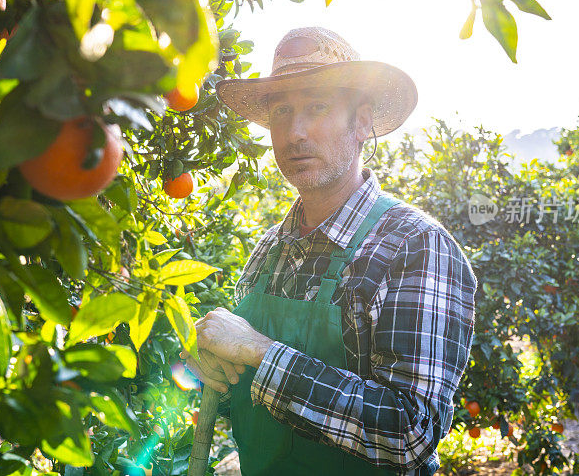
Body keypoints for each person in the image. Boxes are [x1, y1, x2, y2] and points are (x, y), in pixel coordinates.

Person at [178, 27, 477, 475]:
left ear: (361, 121)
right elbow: (254, 397)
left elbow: (410, 432)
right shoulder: (270, 249)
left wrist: (260, 352)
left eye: (316, 107)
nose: (295, 133)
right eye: (282, 112)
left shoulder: (414, 246)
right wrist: (214, 365)